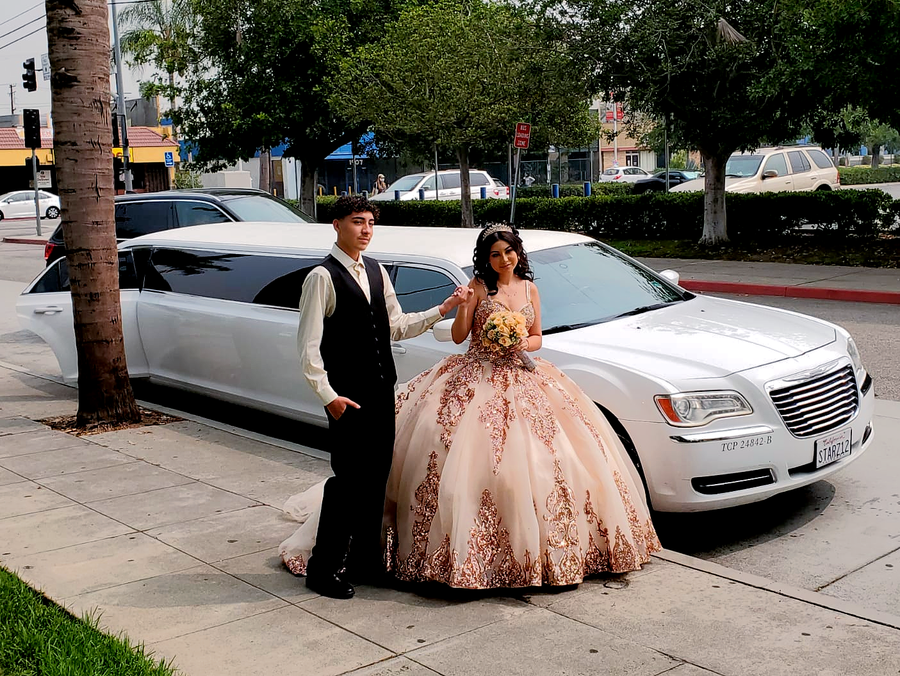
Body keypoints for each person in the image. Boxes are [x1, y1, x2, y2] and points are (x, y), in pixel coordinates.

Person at [282, 223, 661, 592]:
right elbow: (461, 336)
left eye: (509, 252)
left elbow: (537, 337)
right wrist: (462, 307)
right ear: (486, 258)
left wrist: (518, 342)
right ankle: (356, 558)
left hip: (525, 377)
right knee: (449, 464)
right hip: (475, 376)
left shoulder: (530, 288)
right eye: (495, 254)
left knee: (550, 463)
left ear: (518, 254)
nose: (503, 259)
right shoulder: (477, 287)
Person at [293, 195, 470, 600]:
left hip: (380, 394)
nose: (366, 229)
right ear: (336, 225)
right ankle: (322, 570)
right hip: (347, 400)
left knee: (375, 483)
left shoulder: (375, 271)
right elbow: (308, 349)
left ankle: (364, 563)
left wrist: (443, 308)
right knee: (347, 486)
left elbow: (396, 327)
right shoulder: (322, 277)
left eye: (371, 222)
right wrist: (329, 396)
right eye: (358, 221)